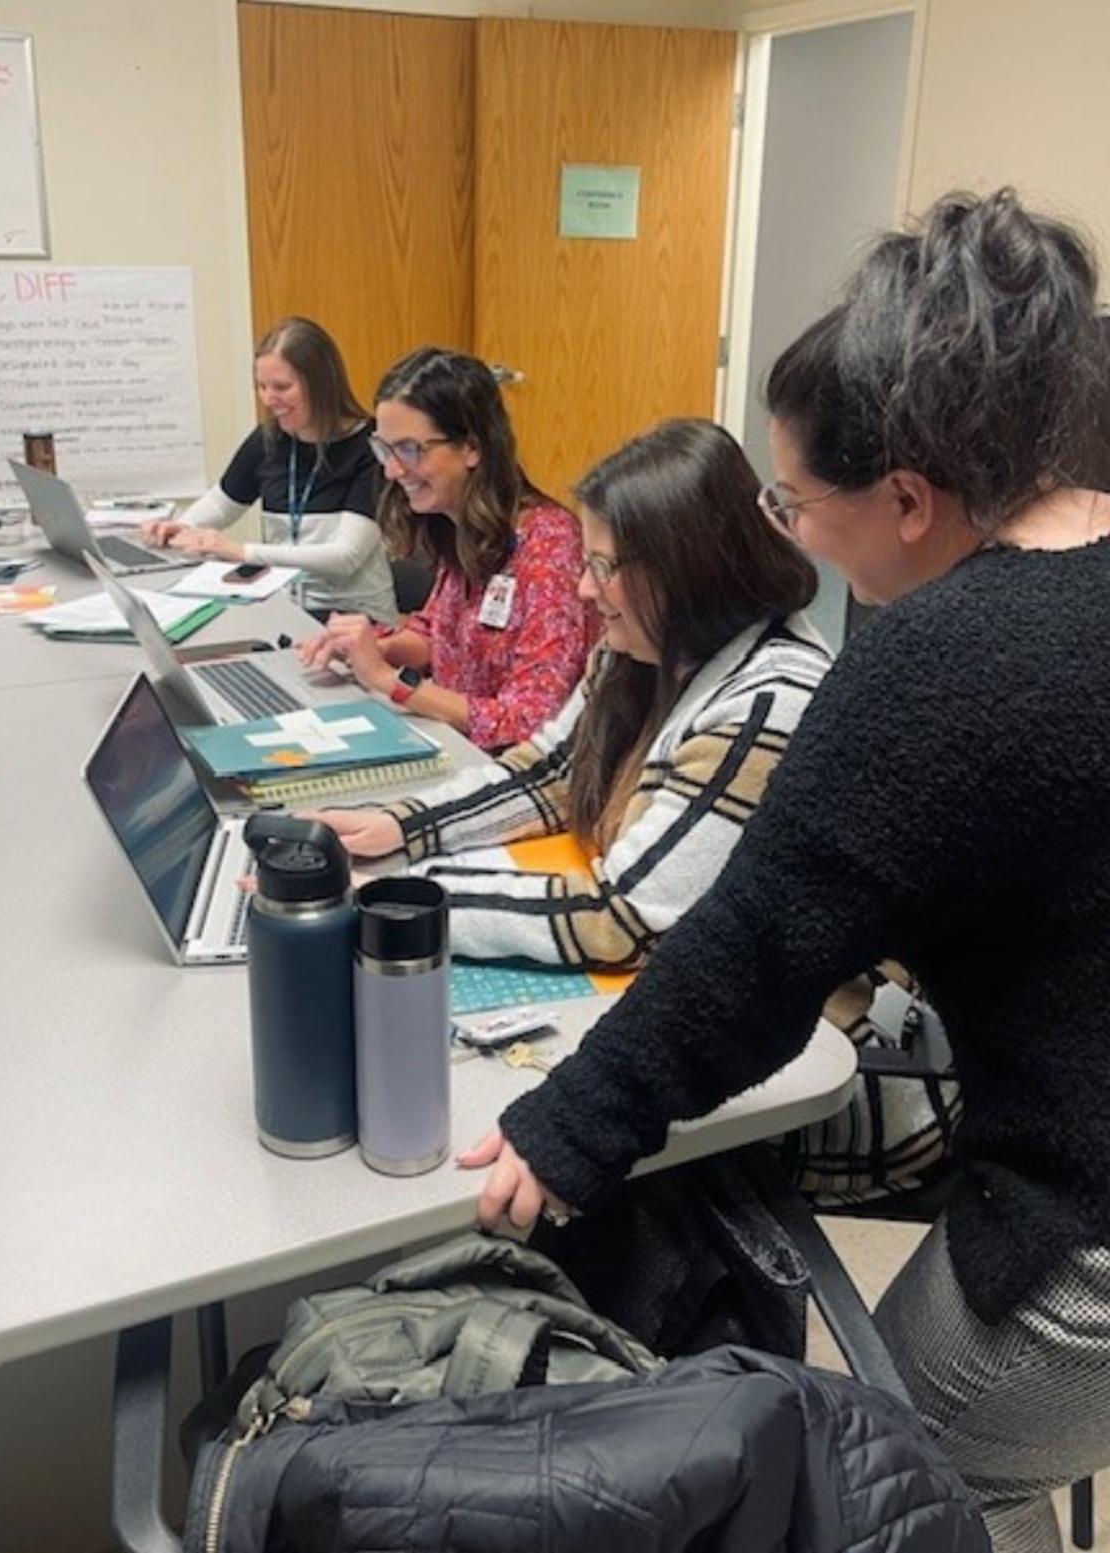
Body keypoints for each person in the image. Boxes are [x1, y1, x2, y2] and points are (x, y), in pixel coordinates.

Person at [460, 189, 1110, 1552]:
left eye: (798, 504)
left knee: (870, 1472)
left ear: (911, 497)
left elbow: (755, 947)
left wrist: (569, 1124)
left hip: (1087, 1222)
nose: (792, 536)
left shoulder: (944, 659)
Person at [311, 418, 829, 965]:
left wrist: (392, 901)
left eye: (602, 567)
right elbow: (551, 773)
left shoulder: (771, 701)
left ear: (685, 569)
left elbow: (625, 916)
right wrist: (400, 825)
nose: (584, 589)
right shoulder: (641, 647)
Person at [299, 347, 597, 752]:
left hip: (507, 764)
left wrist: (388, 681)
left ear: (471, 447)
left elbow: (528, 720)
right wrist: (375, 649)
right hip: (455, 743)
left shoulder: (550, 546)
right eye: (385, 449)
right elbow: (437, 632)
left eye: (409, 449)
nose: (392, 470)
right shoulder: (459, 522)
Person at [142, 317, 395, 623]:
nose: (268, 399)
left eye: (282, 387)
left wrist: (240, 552)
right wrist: (184, 527)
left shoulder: (371, 448)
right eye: (261, 386)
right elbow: (222, 502)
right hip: (286, 605)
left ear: (321, 384)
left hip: (355, 616)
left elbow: (346, 557)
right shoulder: (268, 440)